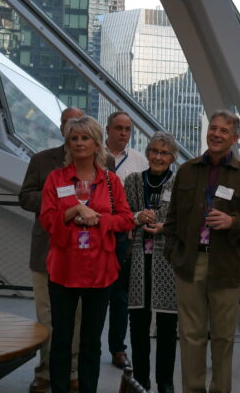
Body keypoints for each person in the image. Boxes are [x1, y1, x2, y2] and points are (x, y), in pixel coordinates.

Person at [164, 110, 240, 393]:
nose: (216, 134)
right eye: (213, 128)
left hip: (225, 266)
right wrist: (174, 254)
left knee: (223, 337)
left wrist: (233, 222)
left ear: (234, 138)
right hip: (190, 262)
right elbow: (172, 219)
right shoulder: (187, 170)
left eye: (224, 131)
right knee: (190, 335)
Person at [41, 116, 134, 393]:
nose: (80, 143)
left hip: (100, 271)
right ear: (68, 143)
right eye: (74, 138)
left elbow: (127, 219)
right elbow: (47, 220)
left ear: (96, 143)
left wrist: (100, 221)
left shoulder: (111, 181)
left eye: (85, 138)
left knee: (91, 342)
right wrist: (73, 211)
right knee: (61, 339)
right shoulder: (56, 178)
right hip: (64, 269)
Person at [19, 106, 85, 393]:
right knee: (46, 315)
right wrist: (54, 205)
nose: (74, 131)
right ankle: (45, 371)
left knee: (78, 315)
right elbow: (25, 196)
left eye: (80, 125)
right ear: (61, 128)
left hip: (82, 254)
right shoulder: (42, 160)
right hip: (46, 250)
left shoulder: (97, 164)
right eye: (69, 124)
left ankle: (71, 370)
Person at [125, 132, 180, 393]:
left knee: (168, 325)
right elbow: (121, 215)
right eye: (155, 151)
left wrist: (166, 226)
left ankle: (165, 382)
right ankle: (141, 379)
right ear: (147, 154)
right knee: (138, 324)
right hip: (137, 262)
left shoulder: (179, 184)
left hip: (168, 263)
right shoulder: (134, 180)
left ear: (173, 158)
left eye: (165, 153)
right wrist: (137, 216)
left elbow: (186, 220)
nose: (159, 157)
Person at [104, 111, 148, 369]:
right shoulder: (95, 155)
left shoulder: (138, 161)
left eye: (128, 129)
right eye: (118, 128)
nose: (123, 133)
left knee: (120, 297)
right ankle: (90, 345)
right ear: (107, 130)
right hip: (96, 233)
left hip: (125, 236)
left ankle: (118, 349)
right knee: (95, 295)